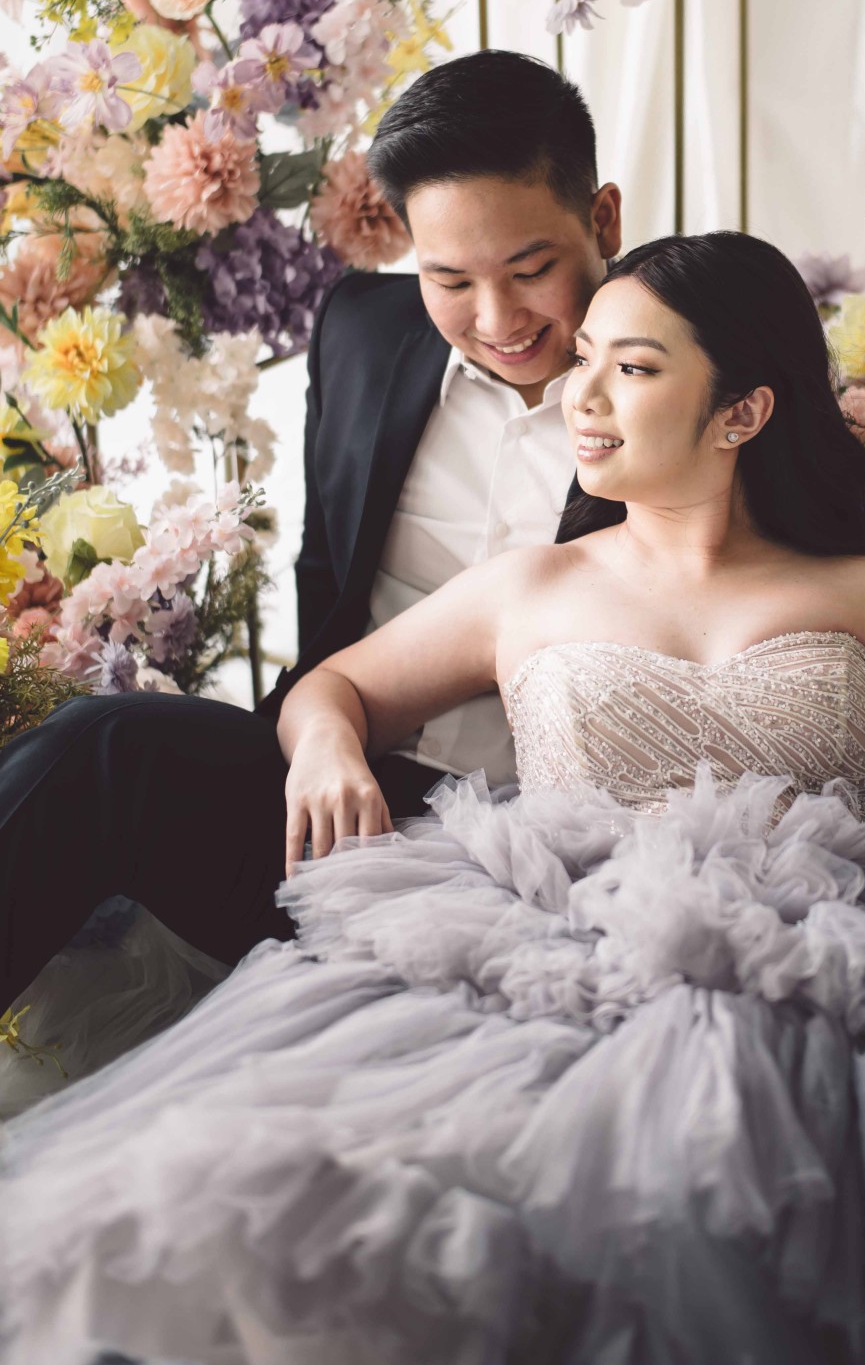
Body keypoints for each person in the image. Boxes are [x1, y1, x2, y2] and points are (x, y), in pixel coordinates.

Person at [3, 232, 865, 1365]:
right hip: (565, 958)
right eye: (586, 357)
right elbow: (334, 687)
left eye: (633, 367)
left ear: (741, 412)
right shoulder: (530, 584)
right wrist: (326, 742)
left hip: (840, 977)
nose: (582, 395)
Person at [0, 50, 620, 1019]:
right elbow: (326, 579)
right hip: (329, 797)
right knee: (103, 745)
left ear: (603, 222)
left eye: (531, 270)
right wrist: (322, 736)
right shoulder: (363, 330)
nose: (497, 317)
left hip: (549, 851)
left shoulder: (689, 371)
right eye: (449, 278)